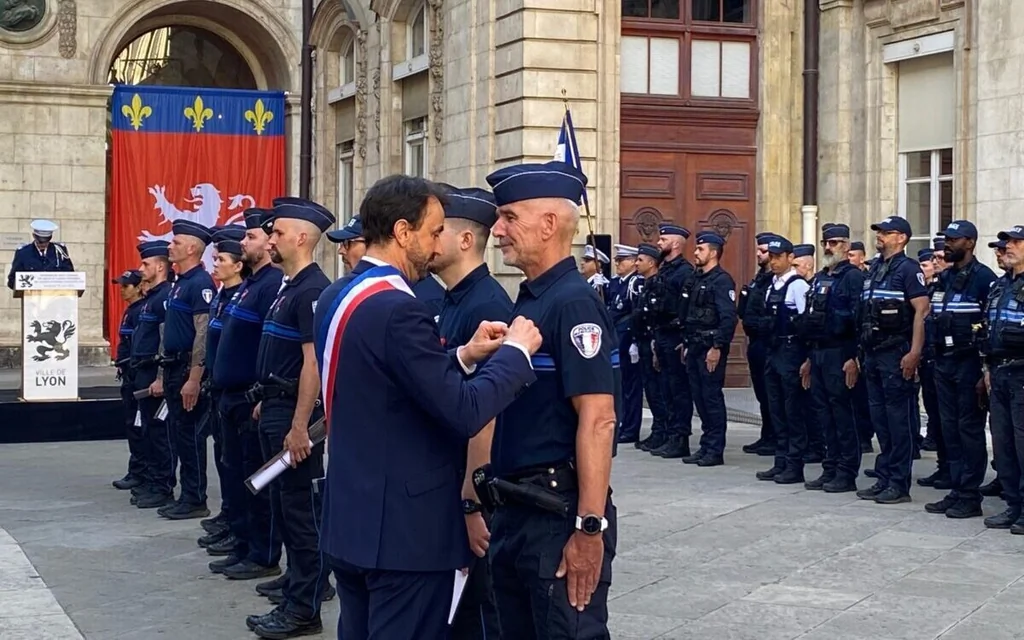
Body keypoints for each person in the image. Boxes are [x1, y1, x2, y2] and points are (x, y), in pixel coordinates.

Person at [314, 175, 540, 640]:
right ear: (402, 232)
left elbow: (382, 382)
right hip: (403, 535)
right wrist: (515, 355)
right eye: (433, 231)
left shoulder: (341, 294)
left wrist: (461, 355)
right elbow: (463, 410)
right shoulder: (399, 307)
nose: (437, 243)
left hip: (351, 520)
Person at [484, 160, 619, 639]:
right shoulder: (533, 297)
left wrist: (588, 528)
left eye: (509, 217)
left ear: (548, 224)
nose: (496, 230)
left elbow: (599, 419)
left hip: (556, 514)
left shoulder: (573, 302)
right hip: (519, 507)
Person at [244, 197, 336, 639]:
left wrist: (300, 425)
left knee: (302, 513)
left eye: (277, 232)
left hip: (294, 417)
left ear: (301, 238)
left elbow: (313, 365)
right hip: (277, 407)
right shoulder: (289, 286)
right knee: (283, 504)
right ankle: (295, 586)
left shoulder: (312, 290)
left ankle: (305, 607)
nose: (271, 239)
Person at [430, 184, 511, 640]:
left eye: (437, 230)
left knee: (481, 611)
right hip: (448, 470)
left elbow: (489, 406)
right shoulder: (452, 297)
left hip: (473, 479)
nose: (428, 239)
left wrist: (471, 496)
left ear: (464, 240)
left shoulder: (488, 304)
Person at [212, 209, 288, 591]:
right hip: (230, 395)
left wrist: (259, 392)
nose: (247, 243)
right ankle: (244, 544)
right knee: (235, 471)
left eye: (252, 237)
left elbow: (270, 348)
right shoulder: (250, 286)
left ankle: (263, 553)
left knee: (257, 482)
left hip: (250, 397)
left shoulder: (273, 284)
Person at [922, 221, 996, 519]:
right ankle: (956, 488)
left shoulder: (983, 278)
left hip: (968, 365)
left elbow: (990, 327)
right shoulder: (945, 278)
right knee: (949, 428)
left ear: (970, 242)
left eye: (953, 240)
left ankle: (969, 495)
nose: (947, 245)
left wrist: (984, 370)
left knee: (969, 430)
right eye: (946, 239)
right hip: (943, 362)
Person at [856, 216, 930, 505]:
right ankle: (885, 475)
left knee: (898, 421)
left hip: (895, 353)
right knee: (881, 420)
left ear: (902, 238)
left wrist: (914, 352)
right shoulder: (875, 269)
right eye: (880, 232)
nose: (881, 236)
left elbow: (921, 312)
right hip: (873, 353)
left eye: (887, 233)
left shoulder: (908, 270)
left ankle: (899, 482)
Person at [157, 220, 216, 520]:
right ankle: (186, 493)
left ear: (192, 248)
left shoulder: (200, 284)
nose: (170, 246)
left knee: (191, 436)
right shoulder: (180, 283)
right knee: (178, 434)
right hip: (172, 367)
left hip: (185, 370)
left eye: (176, 242)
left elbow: (202, 332)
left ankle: (195, 498)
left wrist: (195, 377)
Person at [798, 224, 864, 493]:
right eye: (826, 242)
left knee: (843, 415)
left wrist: (854, 358)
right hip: (819, 352)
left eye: (835, 242)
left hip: (841, 353)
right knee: (824, 414)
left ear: (847, 246)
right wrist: (809, 358)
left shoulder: (852, 277)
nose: (829, 247)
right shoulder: (820, 278)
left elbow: (859, 321)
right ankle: (830, 467)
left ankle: (846, 472)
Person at [198, 226, 252, 559]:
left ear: (237, 266)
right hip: (219, 389)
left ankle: (242, 530)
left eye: (221, 259)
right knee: (225, 462)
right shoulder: (222, 295)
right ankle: (230, 518)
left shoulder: (241, 294)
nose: (215, 264)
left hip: (240, 394)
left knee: (238, 466)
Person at [680, 231, 737, 467]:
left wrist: (717, 347)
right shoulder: (697, 278)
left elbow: (728, 319)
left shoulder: (722, 281)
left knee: (711, 398)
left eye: (700, 249)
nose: (695, 253)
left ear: (713, 253)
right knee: (699, 398)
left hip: (709, 348)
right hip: (694, 346)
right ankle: (705, 445)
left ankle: (715, 449)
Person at [757, 235, 811, 484]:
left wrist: (806, 359)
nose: (775, 262)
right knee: (776, 408)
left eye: (780, 257)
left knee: (793, 411)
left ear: (791, 258)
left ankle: (794, 465)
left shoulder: (797, 285)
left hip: (791, 352)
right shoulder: (772, 285)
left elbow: (806, 322)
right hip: (774, 351)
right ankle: (780, 461)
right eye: (773, 257)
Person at [981, 225, 1024, 532]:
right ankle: (1014, 504)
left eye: (1016, 242)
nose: (1008, 247)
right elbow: (986, 328)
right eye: (1007, 242)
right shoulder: (1000, 286)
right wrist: (986, 370)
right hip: (999, 372)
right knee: (1004, 443)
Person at [130, 241, 176, 510]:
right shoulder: (151, 298)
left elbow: (164, 340)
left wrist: (160, 376)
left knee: (160, 433)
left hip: (153, 373)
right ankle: (150, 480)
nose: (140, 268)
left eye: (145, 264)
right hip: (141, 371)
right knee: (146, 429)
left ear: (160, 267)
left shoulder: (165, 297)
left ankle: (162, 485)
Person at [649, 222, 695, 459]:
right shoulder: (664, 270)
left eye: (664, 240)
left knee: (678, 390)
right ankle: (668, 434)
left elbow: (686, 309)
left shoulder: (684, 272)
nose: (659, 243)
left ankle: (680, 438)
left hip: (675, 336)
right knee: (665, 387)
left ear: (676, 244)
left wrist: (684, 339)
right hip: (661, 334)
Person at [739, 233, 777, 457]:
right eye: (759, 250)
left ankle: (775, 437)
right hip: (754, 342)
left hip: (767, 342)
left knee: (771, 394)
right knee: (762, 394)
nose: (759, 254)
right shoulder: (759, 278)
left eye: (763, 251)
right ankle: (766, 435)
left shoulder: (775, 280)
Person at [916, 248, 949, 491]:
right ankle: (945, 468)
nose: (935, 261)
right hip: (932, 358)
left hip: (957, 360)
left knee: (957, 423)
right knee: (937, 415)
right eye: (934, 258)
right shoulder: (936, 286)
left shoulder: (979, 278)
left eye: (940, 258)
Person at [632, 244, 670, 451]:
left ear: (652, 263)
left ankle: (662, 430)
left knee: (658, 390)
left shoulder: (658, 284)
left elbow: (657, 316)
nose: (636, 264)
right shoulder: (644, 285)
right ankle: (658, 430)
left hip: (654, 342)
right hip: (643, 341)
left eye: (640, 260)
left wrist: (654, 342)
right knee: (651, 389)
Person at [111, 270, 147, 492]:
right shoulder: (130, 310)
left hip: (136, 375)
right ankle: (136, 469)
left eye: (126, 286)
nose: (123, 290)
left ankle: (140, 471)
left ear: (138, 287)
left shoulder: (140, 310)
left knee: (139, 425)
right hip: (128, 374)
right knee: (132, 425)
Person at [608, 244, 643, 444]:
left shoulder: (635, 283)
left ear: (632, 262)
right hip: (617, 338)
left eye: (622, 260)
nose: (618, 264)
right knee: (621, 384)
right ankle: (623, 424)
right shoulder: (617, 283)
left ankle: (631, 428)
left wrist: (636, 341)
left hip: (628, 337)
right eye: (617, 260)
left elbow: (636, 313)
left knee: (631, 385)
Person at [792, 243, 823, 463]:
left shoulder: (810, 286)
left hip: (812, 350)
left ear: (809, 264)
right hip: (802, 350)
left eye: (796, 265)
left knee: (813, 403)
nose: (793, 270)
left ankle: (817, 445)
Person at [6, 219, 75, 290]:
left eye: (46, 242)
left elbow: (70, 276)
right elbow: (12, 280)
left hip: (56, 296)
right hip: (31, 297)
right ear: (34, 236)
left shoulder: (60, 251)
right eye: (40, 242)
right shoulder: (23, 253)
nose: (43, 245)